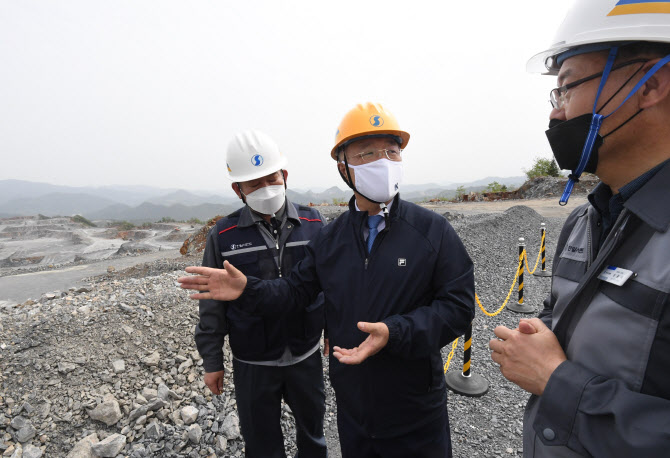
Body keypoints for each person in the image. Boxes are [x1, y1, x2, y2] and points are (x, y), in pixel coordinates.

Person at [180, 103, 476, 458]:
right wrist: (248, 290)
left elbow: (458, 307)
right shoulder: (331, 239)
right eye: (366, 154)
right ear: (343, 167)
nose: (382, 161)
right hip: (351, 402)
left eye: (391, 151)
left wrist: (394, 331)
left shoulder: (432, 232)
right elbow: (295, 291)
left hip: (412, 402)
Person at [489, 2, 670, 456]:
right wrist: (540, 331)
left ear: (650, 84)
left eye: (567, 88)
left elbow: (556, 373)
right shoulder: (585, 221)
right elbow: (566, 323)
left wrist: (557, 381)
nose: (555, 114)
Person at [194, 130, 328, 458]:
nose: (265, 189)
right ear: (237, 189)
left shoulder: (314, 224)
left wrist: (334, 331)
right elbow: (211, 305)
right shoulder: (223, 236)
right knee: (261, 445)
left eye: (271, 178)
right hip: (253, 362)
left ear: (284, 175)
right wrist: (213, 361)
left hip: (305, 355)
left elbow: (330, 286)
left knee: (313, 436)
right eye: (254, 183)